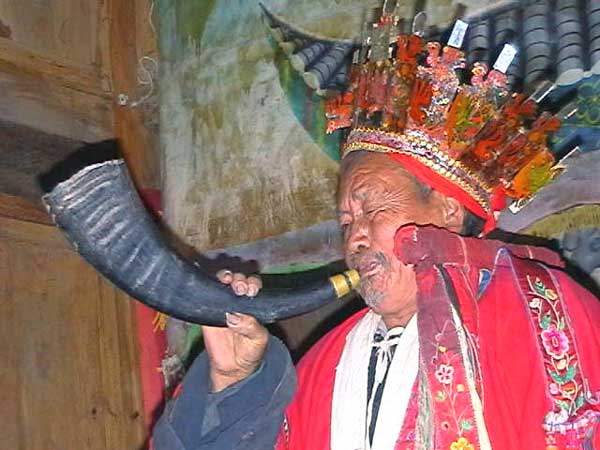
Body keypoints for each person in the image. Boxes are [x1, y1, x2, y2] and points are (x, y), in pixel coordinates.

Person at [153, 15, 600, 450]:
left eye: (372, 208)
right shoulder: (324, 365)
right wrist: (233, 383)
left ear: (446, 209)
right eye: (346, 220)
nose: (355, 239)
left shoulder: (541, 310)